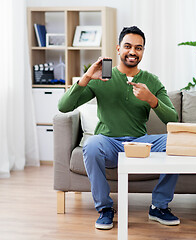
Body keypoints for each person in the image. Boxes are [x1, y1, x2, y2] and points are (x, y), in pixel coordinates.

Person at [58, 26, 180, 230]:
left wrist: (151, 99)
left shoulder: (151, 81)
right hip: (108, 143)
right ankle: (105, 209)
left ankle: (159, 206)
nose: (133, 52)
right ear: (118, 49)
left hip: (140, 143)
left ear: (142, 52)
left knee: (176, 142)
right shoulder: (101, 78)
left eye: (138, 48)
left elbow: (173, 118)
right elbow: (63, 107)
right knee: (92, 145)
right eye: (128, 46)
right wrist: (87, 77)